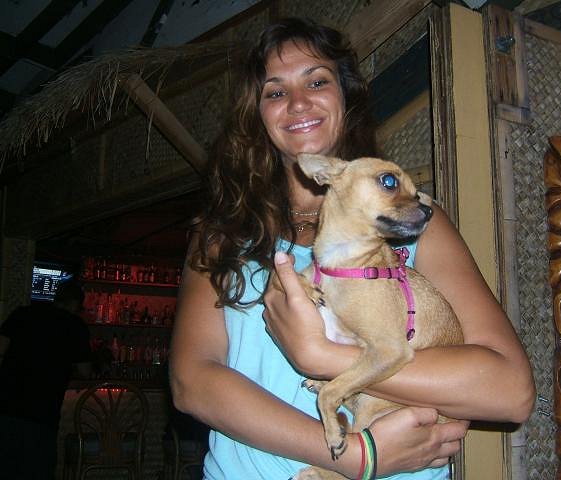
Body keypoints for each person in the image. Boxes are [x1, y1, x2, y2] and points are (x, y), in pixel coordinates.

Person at [169, 17, 535, 480]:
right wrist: (360, 456)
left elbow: (510, 391)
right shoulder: (222, 235)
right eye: (275, 92)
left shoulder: (415, 225)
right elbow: (192, 382)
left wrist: (322, 358)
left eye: (316, 82)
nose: (298, 102)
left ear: (346, 95)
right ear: (256, 115)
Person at [0, 279, 92, 479]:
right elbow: (85, 371)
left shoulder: (22, 313)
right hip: (43, 413)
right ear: (75, 304)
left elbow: (1, 347)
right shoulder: (75, 326)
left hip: (6, 407)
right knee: (38, 470)